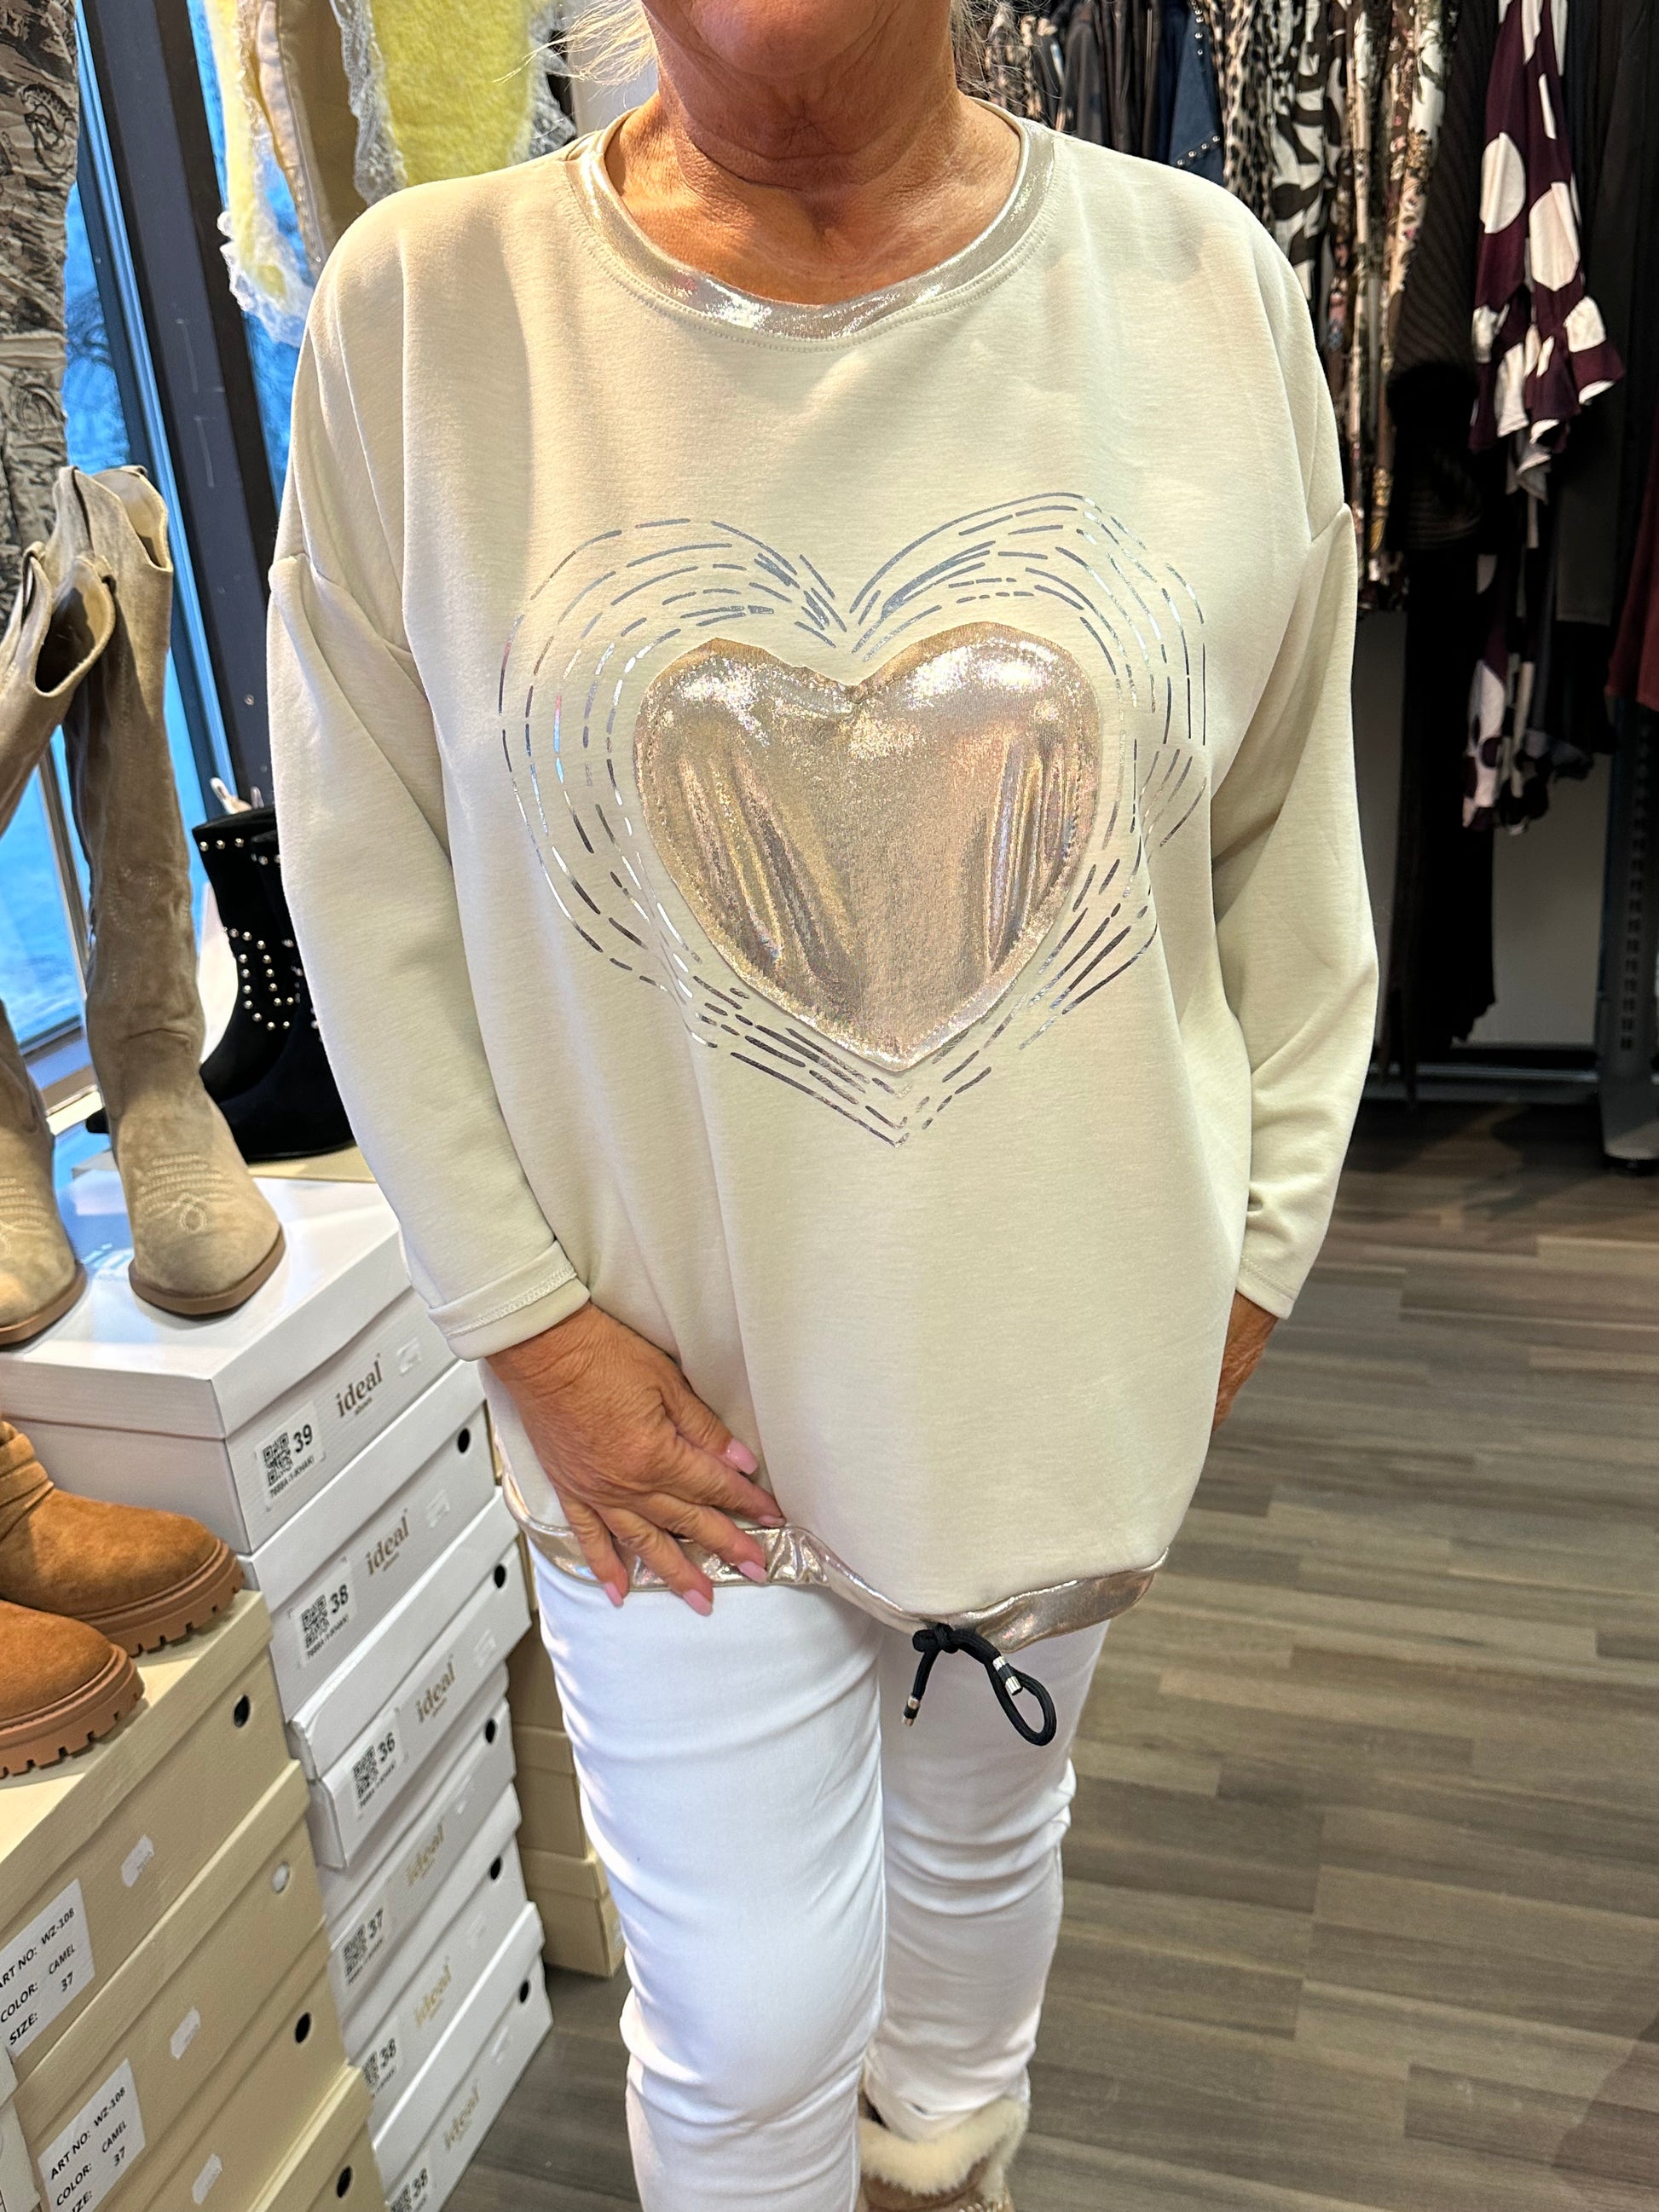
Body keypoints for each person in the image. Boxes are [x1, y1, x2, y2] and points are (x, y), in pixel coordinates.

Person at [268, 1, 1377, 2203]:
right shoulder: (428, 314)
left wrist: (1238, 1266)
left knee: (980, 1867)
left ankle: (947, 2169)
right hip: (660, 1415)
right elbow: (363, 866)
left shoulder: (1198, 287)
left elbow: (1285, 845)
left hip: (1058, 1361)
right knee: (748, 2015)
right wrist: (526, 1329)